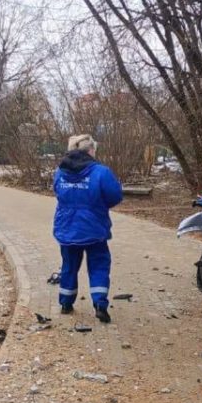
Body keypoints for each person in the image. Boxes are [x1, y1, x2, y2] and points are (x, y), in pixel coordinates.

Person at [53, 134, 123, 323]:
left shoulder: (60, 172)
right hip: (94, 228)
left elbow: (58, 192)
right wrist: (98, 206)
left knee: (69, 266)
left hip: (67, 228)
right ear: (90, 150)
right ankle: (100, 304)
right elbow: (115, 196)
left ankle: (66, 303)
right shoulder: (101, 172)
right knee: (99, 266)